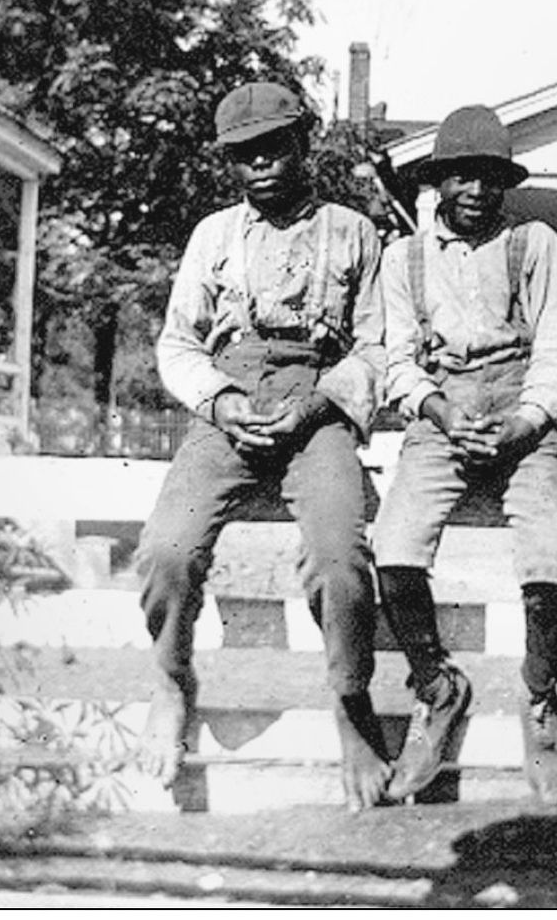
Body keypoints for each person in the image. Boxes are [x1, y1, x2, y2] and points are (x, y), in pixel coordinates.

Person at [135, 82, 391, 811]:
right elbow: (179, 342)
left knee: (341, 559)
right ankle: (170, 676)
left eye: (275, 147)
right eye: (245, 155)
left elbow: (378, 342)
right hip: (231, 403)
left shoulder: (352, 230)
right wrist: (221, 399)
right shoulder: (214, 236)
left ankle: (350, 696)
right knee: (166, 549)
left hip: (321, 405)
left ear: (304, 142)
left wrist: (319, 400)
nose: (262, 166)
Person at [373, 104, 557, 805]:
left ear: (504, 183)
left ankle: (539, 694)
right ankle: (437, 689)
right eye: (460, 177)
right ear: (438, 180)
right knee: (394, 548)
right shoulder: (402, 257)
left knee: (552, 551)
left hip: (522, 407)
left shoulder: (535, 244)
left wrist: (524, 424)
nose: (473, 191)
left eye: (488, 178)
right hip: (444, 411)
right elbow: (397, 360)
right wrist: (440, 410)